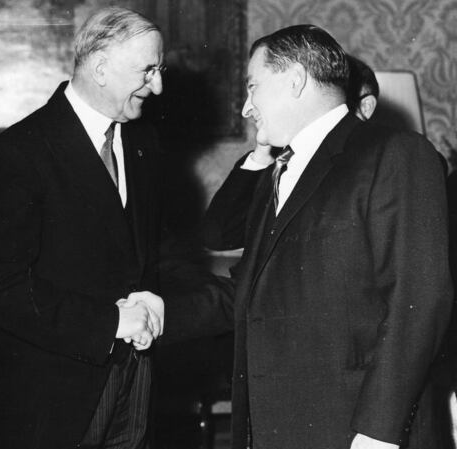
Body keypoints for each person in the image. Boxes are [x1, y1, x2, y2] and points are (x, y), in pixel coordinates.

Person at [178, 25, 452, 448]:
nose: (247, 108)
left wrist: (377, 435)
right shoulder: (282, 170)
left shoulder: (397, 153)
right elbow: (255, 285)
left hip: (357, 430)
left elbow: (420, 299)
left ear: (295, 81)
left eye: (253, 88)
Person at [0, 7, 166, 449]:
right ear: (100, 68)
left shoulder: (143, 143)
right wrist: (111, 321)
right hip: (54, 394)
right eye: (148, 70)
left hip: (135, 378)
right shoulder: (17, 154)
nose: (158, 85)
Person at [203, 52, 381, 251]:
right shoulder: (285, 159)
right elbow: (218, 237)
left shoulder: (381, 168)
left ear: (365, 107)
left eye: (339, 101)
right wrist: (262, 153)